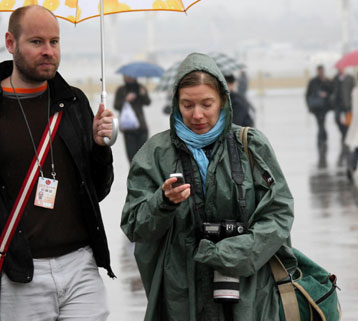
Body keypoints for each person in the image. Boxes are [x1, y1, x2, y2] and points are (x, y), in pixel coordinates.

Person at [0, 5, 116, 321]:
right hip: (16, 272)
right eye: (37, 42)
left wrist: (101, 149)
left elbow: (97, 190)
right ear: (10, 43)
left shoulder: (74, 103)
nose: (48, 51)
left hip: (80, 267)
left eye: (54, 42)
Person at [121, 53, 296, 321]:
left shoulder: (251, 146)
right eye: (187, 105)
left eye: (207, 104)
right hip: (181, 297)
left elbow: (278, 214)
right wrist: (163, 202)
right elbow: (135, 226)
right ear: (175, 104)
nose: (197, 114)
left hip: (251, 296)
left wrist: (228, 253)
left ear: (223, 101)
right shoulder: (154, 154)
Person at [114, 75, 151, 163]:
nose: (129, 78)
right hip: (128, 128)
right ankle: (133, 174)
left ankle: (144, 175)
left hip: (141, 127)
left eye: (131, 76)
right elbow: (116, 106)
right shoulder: (121, 90)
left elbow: (148, 102)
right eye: (127, 76)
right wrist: (126, 100)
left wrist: (143, 94)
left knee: (143, 155)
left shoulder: (140, 88)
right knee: (131, 156)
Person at [305, 65, 333, 168]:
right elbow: (307, 94)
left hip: (325, 107)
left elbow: (332, 90)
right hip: (316, 107)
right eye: (320, 71)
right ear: (317, 71)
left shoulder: (327, 80)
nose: (321, 72)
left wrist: (326, 92)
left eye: (322, 70)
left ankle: (322, 139)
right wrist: (308, 105)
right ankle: (322, 139)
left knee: (322, 123)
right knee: (320, 123)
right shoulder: (313, 81)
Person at [331, 67, 355, 166]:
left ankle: (346, 136)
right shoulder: (335, 79)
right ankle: (344, 133)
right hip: (338, 105)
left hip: (347, 105)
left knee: (348, 123)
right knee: (337, 119)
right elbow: (332, 89)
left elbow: (353, 90)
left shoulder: (350, 78)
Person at [345, 78, 358, 182]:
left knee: (355, 147)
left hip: (355, 122)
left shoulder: (355, 91)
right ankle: (351, 166)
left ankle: (351, 165)